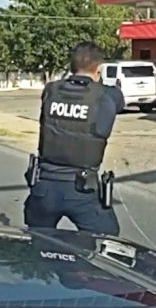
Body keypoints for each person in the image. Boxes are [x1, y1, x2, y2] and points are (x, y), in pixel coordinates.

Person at [23, 41, 125, 235]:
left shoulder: (51, 90)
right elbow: (118, 101)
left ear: (71, 66)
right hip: (82, 190)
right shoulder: (106, 95)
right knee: (107, 242)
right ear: (100, 69)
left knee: (36, 243)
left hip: (44, 187)